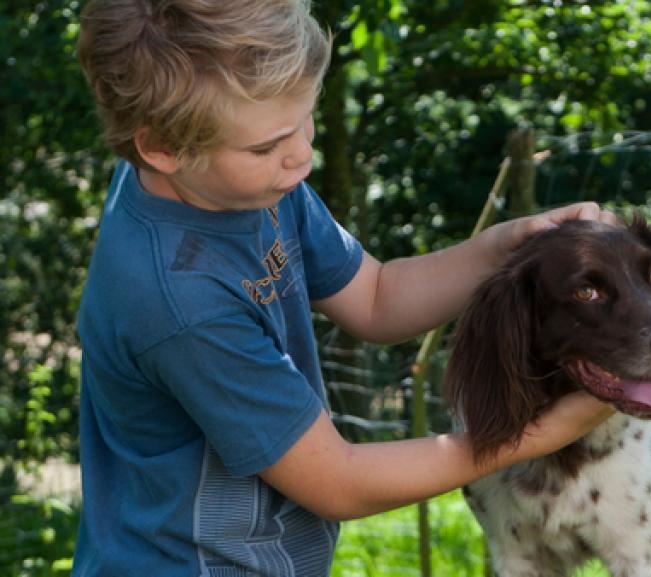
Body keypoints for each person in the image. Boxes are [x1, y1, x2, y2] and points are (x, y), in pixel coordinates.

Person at [72, 1, 617, 575]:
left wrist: (502, 247)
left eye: (305, 119)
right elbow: (339, 482)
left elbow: (376, 298)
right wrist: (533, 436)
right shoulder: (177, 298)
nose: (302, 155)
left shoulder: (243, 180)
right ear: (161, 147)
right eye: (267, 146)